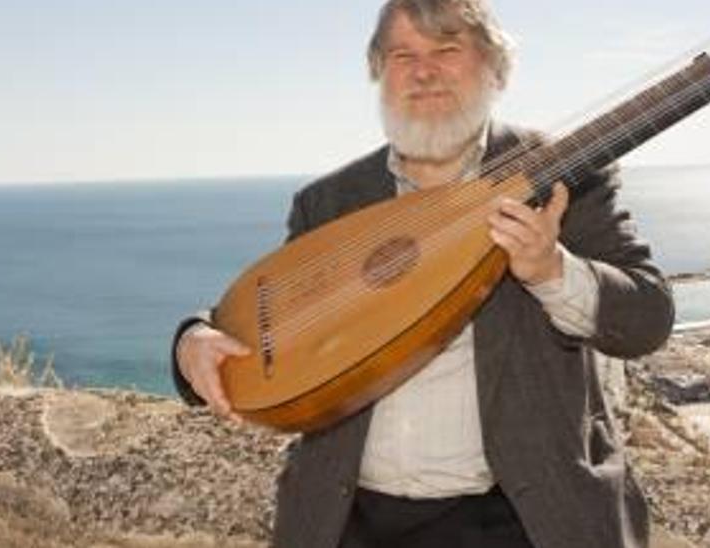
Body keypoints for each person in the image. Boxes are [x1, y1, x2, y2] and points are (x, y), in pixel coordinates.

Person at [169, 1, 674, 547]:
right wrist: (193, 338)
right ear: (379, 74)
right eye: (402, 55)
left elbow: (649, 316)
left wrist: (552, 271)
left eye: (447, 49)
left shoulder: (561, 176)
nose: (424, 71)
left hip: (516, 520)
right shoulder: (331, 201)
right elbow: (272, 313)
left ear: (494, 68)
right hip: (350, 520)